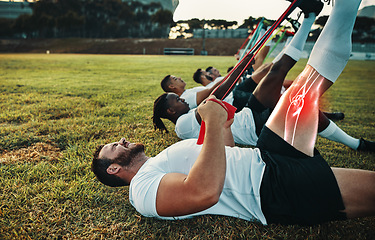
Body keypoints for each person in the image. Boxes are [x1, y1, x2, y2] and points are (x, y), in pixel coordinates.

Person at [92, 0, 375, 226]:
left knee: (305, 86)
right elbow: (204, 193)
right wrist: (214, 124)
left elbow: (222, 157)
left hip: (265, 154)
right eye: (113, 148)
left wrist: (224, 126)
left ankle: (344, 5)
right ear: (114, 169)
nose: (121, 141)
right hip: (273, 188)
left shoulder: (161, 161)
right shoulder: (140, 191)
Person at [154, 12, 362, 150]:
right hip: (257, 129)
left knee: (275, 71)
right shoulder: (181, 126)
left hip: (250, 113)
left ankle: (309, 17)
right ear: (170, 112)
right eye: (176, 100)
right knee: (303, 109)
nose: (181, 100)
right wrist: (237, 71)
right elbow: (213, 99)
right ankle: (356, 144)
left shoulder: (186, 114)